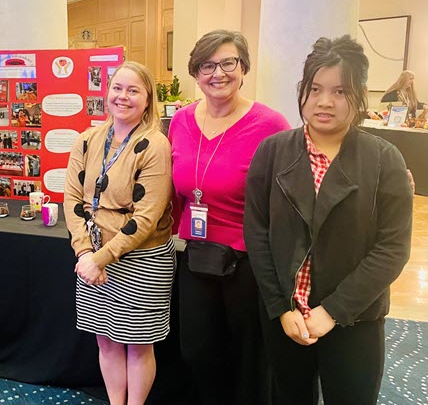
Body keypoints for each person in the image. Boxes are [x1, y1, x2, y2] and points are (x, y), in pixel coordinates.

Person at [244, 35, 413, 405]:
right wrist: (281, 307)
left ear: (359, 95)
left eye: (340, 91)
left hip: (354, 319)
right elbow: (257, 233)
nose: (324, 102)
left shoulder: (384, 159)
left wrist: (333, 311)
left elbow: (392, 248)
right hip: (285, 319)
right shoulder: (272, 151)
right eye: (315, 88)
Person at [168, 30, 289, 405]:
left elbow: (289, 195)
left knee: (248, 356)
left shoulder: (270, 125)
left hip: (248, 260)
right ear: (195, 72)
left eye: (227, 63)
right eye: (207, 65)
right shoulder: (181, 120)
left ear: (243, 67)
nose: (217, 73)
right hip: (194, 255)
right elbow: (170, 190)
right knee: (198, 351)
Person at [64, 61, 175, 405]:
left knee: (139, 344)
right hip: (93, 260)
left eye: (133, 90)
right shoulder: (87, 140)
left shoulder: (155, 145)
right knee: (106, 341)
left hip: (142, 258)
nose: (123, 97)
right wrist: (84, 254)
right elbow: (72, 199)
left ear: (147, 100)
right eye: (117, 88)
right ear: (106, 92)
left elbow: (145, 218)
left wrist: (99, 258)